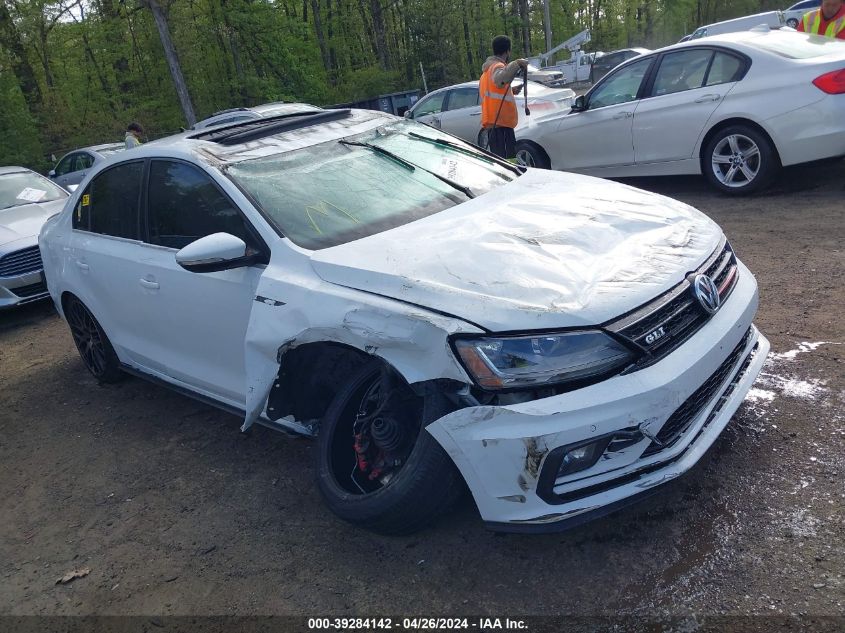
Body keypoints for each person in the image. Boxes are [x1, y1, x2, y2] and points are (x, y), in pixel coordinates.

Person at [479, 35, 528, 159]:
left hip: (493, 125)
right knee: (509, 162)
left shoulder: (486, 72)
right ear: (507, 51)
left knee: (501, 162)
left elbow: (493, 91)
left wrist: (511, 90)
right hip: (501, 124)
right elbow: (500, 79)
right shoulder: (497, 67)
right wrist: (516, 64)